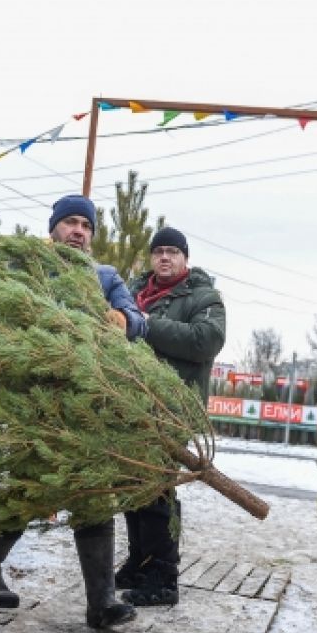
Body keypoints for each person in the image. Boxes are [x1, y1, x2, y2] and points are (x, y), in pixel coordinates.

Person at [0, 194, 144, 629]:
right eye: (71, 223)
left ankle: (101, 603)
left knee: (95, 494)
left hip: (86, 402)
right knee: (26, 490)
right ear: (54, 228)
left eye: (87, 225)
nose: (79, 231)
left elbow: (139, 321)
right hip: (35, 401)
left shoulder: (105, 277)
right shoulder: (26, 269)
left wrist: (118, 321)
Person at [118, 226, 226, 606]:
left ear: (185, 258)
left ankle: (164, 577)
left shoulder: (204, 297)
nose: (165, 257)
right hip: (132, 404)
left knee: (155, 490)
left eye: (172, 252)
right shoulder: (134, 292)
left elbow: (205, 341)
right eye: (159, 251)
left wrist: (144, 325)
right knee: (132, 486)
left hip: (173, 408)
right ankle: (140, 561)